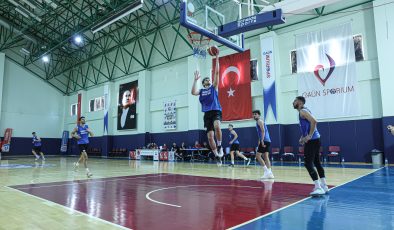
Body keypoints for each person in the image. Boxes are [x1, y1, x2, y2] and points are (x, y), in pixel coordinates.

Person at [191, 52, 224, 165]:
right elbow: (193, 92)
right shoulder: (201, 91)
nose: (208, 80)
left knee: (217, 127)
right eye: (206, 80)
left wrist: (217, 58)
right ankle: (216, 156)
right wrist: (195, 80)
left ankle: (219, 146)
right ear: (203, 82)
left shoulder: (214, 88)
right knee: (210, 137)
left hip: (215, 111)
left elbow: (217, 73)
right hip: (207, 114)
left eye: (209, 79)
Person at [293, 96, 328, 196]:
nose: (293, 103)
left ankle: (318, 187)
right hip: (316, 139)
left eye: (294, 101)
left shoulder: (302, 111)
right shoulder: (304, 111)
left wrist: (309, 136)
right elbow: (308, 126)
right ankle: (324, 186)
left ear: (299, 102)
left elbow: (314, 121)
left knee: (308, 163)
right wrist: (303, 137)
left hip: (313, 140)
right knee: (316, 162)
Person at [253, 110, 274, 179]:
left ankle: (267, 171)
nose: (254, 115)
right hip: (267, 140)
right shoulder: (258, 121)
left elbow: (263, 131)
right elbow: (261, 132)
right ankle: (270, 173)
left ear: (259, 115)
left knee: (258, 156)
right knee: (265, 156)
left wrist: (262, 140)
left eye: (255, 114)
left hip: (264, 140)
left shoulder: (259, 121)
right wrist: (260, 140)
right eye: (253, 114)